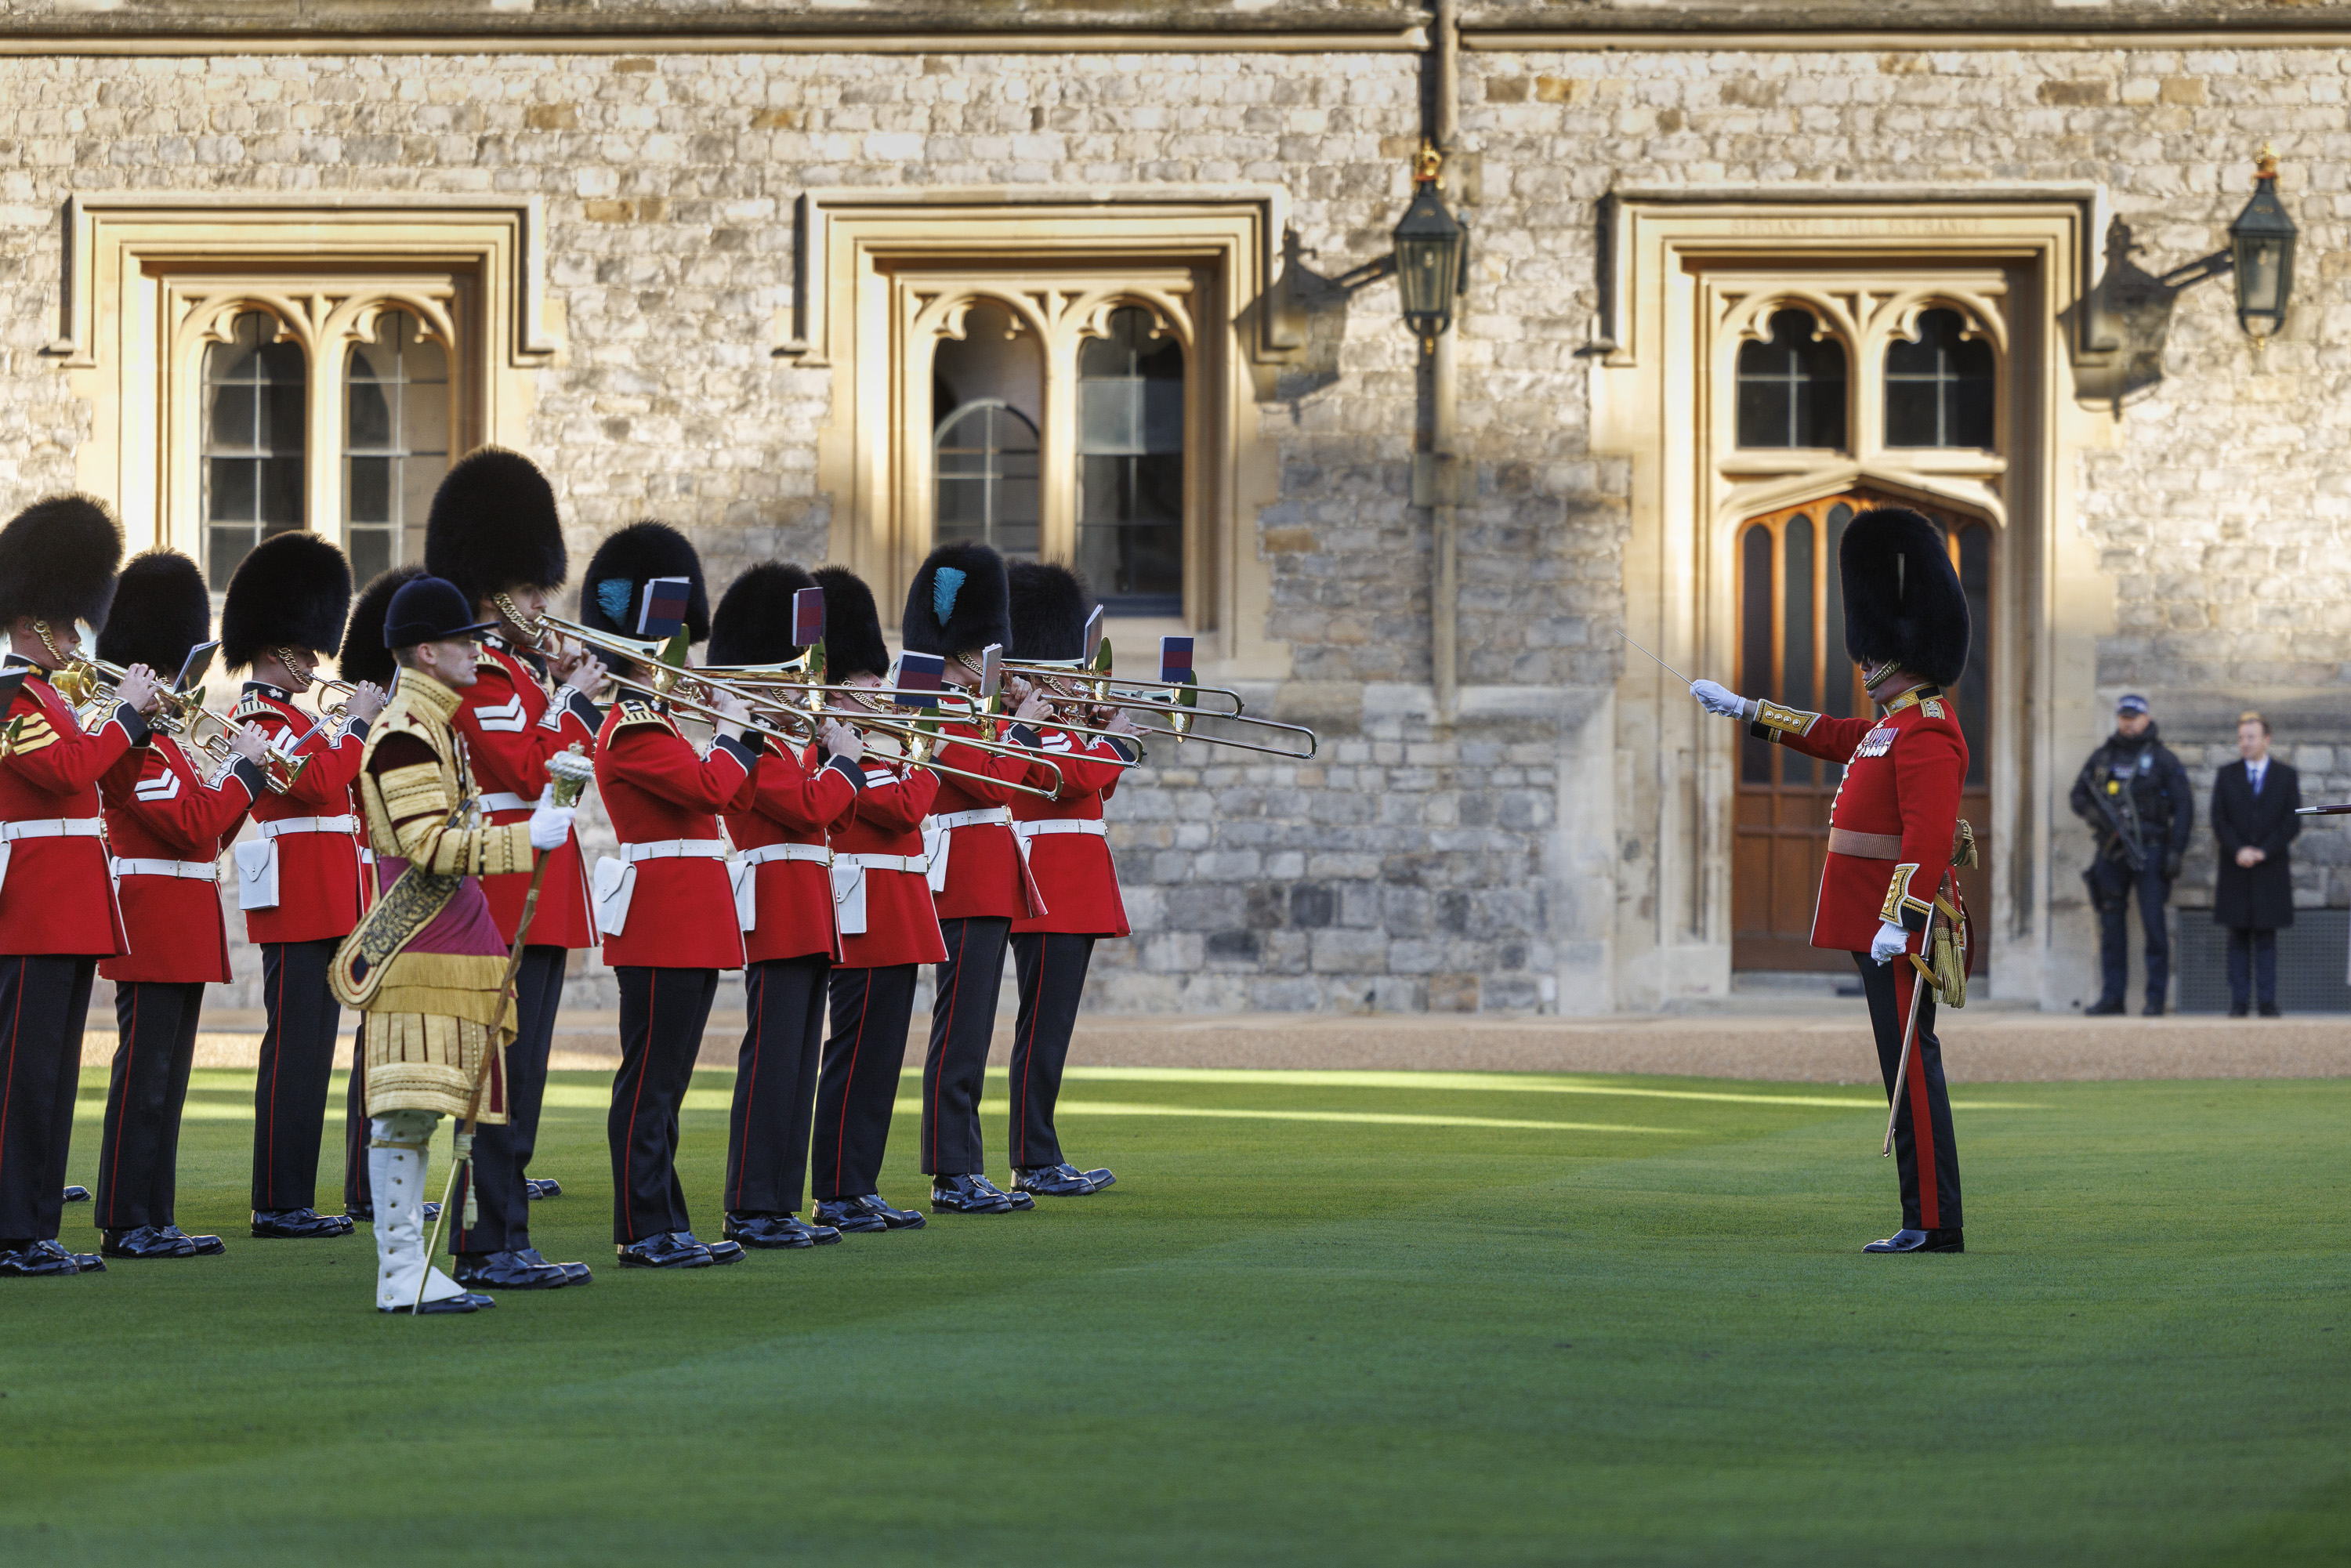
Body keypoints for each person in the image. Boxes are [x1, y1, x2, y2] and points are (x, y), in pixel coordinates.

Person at [1691, 506, 1972, 1255]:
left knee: (1911, 1067)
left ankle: (1933, 1222)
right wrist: (1750, 710)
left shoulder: (1930, 725)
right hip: (1875, 924)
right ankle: (1924, 1216)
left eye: (1873, 651)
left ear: (1899, 653)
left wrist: (1900, 918)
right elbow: (1835, 735)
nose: (1863, 662)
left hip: (1898, 932)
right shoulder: (1890, 723)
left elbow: (1931, 834)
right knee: (1900, 1066)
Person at [336, 574, 578, 1313]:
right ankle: (399, 1268)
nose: (480, 651)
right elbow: (427, 845)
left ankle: (408, 1265)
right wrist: (522, 841)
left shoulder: (434, 722)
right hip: (422, 947)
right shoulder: (409, 729)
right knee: (404, 1113)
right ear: (428, 651)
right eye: (467, 642)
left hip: (451, 945)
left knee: (426, 1113)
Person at [424, 447, 606, 1291]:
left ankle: (505, 1237)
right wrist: (569, 705)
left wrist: (566, 701)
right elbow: (525, 773)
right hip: (506, 891)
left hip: (541, 888)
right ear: (498, 592)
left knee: (521, 1083)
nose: (544, 605)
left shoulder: (524, 679)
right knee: (499, 1082)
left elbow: (565, 773)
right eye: (534, 590)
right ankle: (487, 1243)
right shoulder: (490, 676)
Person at [584, 523, 757, 1269]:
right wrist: (737, 734)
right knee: (650, 1085)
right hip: (663, 919)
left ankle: (667, 1220)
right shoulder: (632, 728)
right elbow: (713, 790)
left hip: (685, 916)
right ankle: (642, 1227)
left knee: (668, 1085)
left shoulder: (660, 724)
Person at [0, 496, 163, 1279]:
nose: (78, 642)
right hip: (31, 909)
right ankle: (9, 1231)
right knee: (22, 1078)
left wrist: (128, 719)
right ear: (35, 623)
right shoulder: (11, 699)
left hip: (66, 907)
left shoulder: (56, 700)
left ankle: (32, 1227)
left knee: (55, 1076)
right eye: (69, 628)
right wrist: (125, 718)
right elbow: (66, 772)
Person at [92, 549, 270, 1261]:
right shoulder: (137, 752)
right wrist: (243, 770)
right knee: (144, 1080)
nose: (176, 690)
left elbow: (209, 836)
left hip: (183, 917)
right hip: (153, 920)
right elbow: (190, 823)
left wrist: (241, 782)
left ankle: (153, 1216)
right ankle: (126, 1218)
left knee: (167, 1082)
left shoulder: (167, 747)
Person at [221, 531, 387, 1240]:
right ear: (280, 647)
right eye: (309, 650)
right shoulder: (259, 716)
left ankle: (296, 1195)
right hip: (297, 903)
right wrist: (350, 724)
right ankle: (277, 1201)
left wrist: (346, 728)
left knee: (314, 1056)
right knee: (292, 1055)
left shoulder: (299, 718)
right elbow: (317, 782)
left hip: (331, 901)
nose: (318, 663)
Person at [708, 563, 860, 1249]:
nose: (799, 686)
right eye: (785, 675)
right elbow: (809, 808)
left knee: (799, 1062)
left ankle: (779, 1200)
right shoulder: (753, 745)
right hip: (773, 905)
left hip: (808, 904)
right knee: (771, 1060)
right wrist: (845, 763)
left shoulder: (787, 742)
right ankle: (749, 1204)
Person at [902, 541, 1047, 1216]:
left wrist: (1015, 719)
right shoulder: (933, 709)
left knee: (976, 1033)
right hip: (960, 881)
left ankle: (969, 1164)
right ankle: (948, 1171)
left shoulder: (973, 709)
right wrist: (1019, 728)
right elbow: (994, 782)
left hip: (989, 881)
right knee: (958, 1032)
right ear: (961, 652)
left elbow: (1026, 783)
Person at [810, 565, 941, 1235]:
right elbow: (902, 807)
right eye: (865, 680)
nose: (878, 688)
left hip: (897, 908)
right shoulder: (828, 749)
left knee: (883, 1056)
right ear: (836, 684)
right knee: (854, 1052)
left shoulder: (870, 746)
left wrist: (910, 747)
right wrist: (921, 753)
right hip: (860, 907)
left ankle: (858, 1184)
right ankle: (834, 1188)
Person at [1002, 562, 1139, 1199]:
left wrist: (1105, 735)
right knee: (1042, 1026)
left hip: (1078, 883)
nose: (1072, 677)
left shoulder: (1060, 719)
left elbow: (1097, 786)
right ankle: (1032, 1158)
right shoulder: (1017, 729)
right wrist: (1112, 744)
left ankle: (1043, 1149)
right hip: (1046, 885)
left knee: (1053, 1027)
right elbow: (1068, 781)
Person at [2070, 693, 2193, 1016]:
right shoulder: (2103, 757)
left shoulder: (2163, 759)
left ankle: (2155, 999)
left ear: (2146, 719)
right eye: (2123, 716)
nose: (2128, 722)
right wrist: (2095, 814)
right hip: (2111, 854)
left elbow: (2184, 807)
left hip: (2151, 851)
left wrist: (2176, 852)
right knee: (2111, 927)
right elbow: (2078, 795)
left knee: (2154, 926)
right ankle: (2113, 997)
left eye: (2133, 717)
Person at [2211, 710, 2300, 1018]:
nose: (2245, 744)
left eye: (2251, 737)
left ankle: (2266, 1001)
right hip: (2236, 868)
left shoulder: (2286, 776)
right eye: (2241, 738)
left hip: (2269, 869)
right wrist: (2239, 850)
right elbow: (2219, 820)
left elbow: (2291, 821)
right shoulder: (2226, 775)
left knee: (2265, 938)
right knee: (2237, 937)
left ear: (2266, 739)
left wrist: (2264, 851)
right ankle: (2238, 1002)